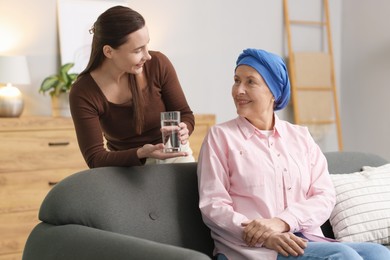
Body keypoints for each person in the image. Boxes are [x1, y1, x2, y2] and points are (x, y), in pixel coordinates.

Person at [197, 48, 390, 260]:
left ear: (274, 91)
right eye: (236, 80)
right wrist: (265, 235)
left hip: (304, 238)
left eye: (250, 82)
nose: (238, 90)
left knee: (379, 253)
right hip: (254, 248)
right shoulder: (220, 136)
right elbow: (213, 205)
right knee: (343, 256)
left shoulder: (300, 137)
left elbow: (324, 196)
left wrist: (283, 222)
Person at [69, 6, 195, 168]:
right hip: (124, 168)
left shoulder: (157, 64)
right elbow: (95, 158)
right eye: (137, 50)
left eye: (146, 45)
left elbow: (185, 114)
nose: (147, 56)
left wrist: (185, 128)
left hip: (173, 157)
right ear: (108, 51)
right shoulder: (83, 92)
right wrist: (141, 153)